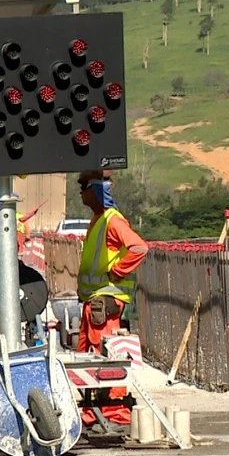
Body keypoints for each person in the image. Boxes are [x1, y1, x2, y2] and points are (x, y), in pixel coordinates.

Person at [76, 169, 149, 428]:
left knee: (106, 358)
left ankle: (115, 413)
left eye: (83, 186)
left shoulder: (113, 221)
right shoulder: (99, 220)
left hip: (105, 302)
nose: (80, 191)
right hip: (93, 301)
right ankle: (91, 411)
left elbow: (139, 247)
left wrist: (117, 271)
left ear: (96, 190)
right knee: (86, 357)